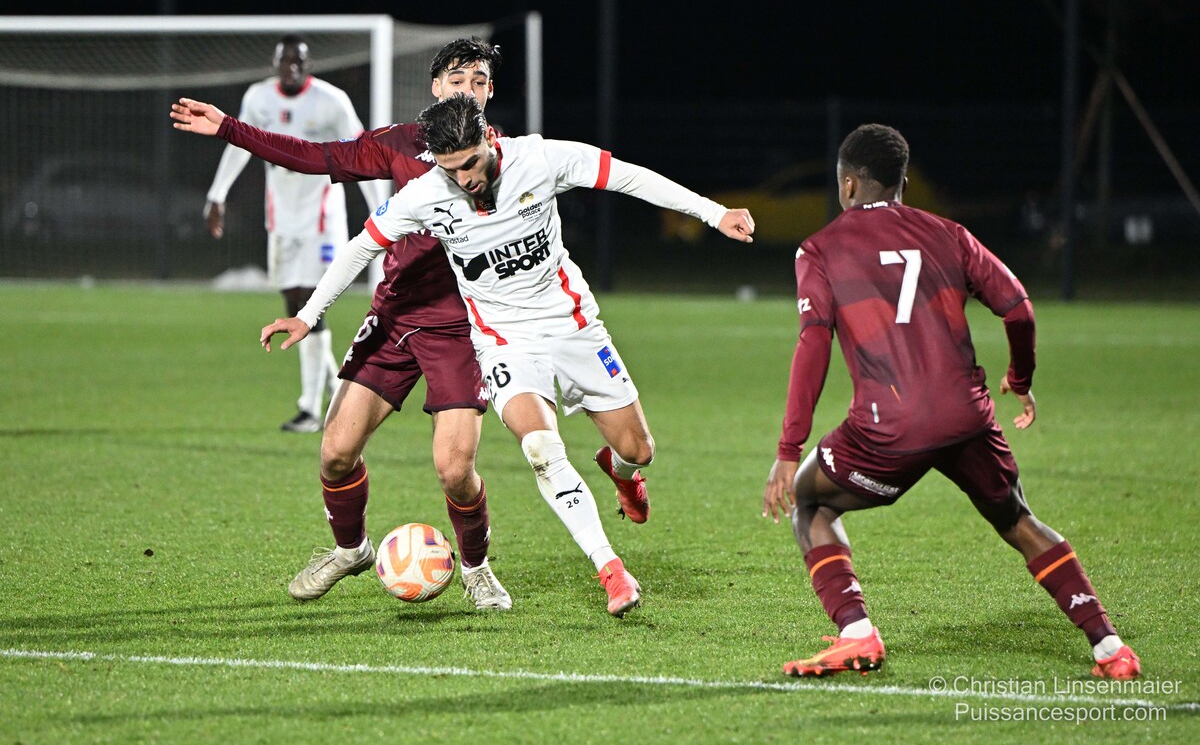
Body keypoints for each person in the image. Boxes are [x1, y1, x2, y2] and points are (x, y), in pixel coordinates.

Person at [261, 94, 756, 617]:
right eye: (450, 170)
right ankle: (611, 569)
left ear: (490, 140)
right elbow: (362, 245)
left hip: (573, 327)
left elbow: (628, 177)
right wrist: (308, 315)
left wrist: (714, 213)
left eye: (470, 164)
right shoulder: (427, 193)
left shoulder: (540, 159)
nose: (464, 180)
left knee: (639, 449)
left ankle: (620, 469)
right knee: (541, 447)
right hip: (503, 341)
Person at [762, 123, 1140, 679]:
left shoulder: (819, 250)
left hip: (887, 428)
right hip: (967, 417)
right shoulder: (949, 233)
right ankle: (1110, 647)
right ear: (902, 184)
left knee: (809, 500)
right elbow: (1018, 308)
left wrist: (788, 449)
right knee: (1018, 519)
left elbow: (813, 343)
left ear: (847, 185)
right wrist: (1020, 376)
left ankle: (856, 633)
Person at [172, 38, 512, 610]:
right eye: (457, 80)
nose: (468, 90)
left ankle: (477, 569)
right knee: (335, 451)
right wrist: (231, 129)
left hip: (461, 328)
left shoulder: (506, 157)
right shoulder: (399, 144)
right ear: (436, 88)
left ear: (490, 91)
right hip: (395, 317)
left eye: (478, 81)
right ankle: (351, 549)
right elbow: (315, 156)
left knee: (455, 470)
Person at [202, 33, 390, 434]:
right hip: (281, 218)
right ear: (274, 64)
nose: (291, 67)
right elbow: (238, 144)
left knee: (309, 303)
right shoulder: (258, 98)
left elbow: (366, 153)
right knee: (293, 302)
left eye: (298, 61)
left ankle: (310, 409)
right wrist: (217, 194)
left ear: (308, 65)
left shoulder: (331, 100)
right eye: (285, 61)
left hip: (321, 218)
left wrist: (385, 211)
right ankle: (332, 387)